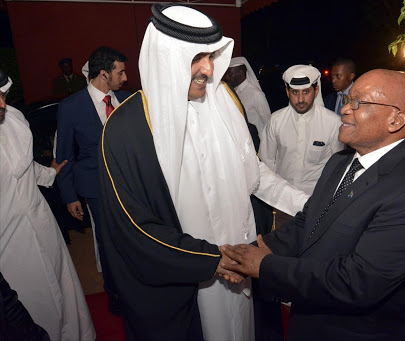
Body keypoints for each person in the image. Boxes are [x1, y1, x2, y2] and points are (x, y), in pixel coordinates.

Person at [98, 4, 308, 340]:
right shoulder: (125, 130)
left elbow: (254, 174)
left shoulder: (226, 100)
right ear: (166, 58)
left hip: (243, 267)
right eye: (197, 57)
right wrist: (214, 260)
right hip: (187, 279)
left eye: (211, 55)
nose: (209, 69)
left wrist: (307, 203)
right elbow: (133, 227)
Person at [223, 69, 405, 341]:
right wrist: (256, 251)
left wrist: (265, 266)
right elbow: (309, 220)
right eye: (347, 100)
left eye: (358, 103)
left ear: (395, 120)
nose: (344, 110)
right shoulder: (340, 163)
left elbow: (357, 282)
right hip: (310, 320)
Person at [0, 68, 95, 340]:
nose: (3, 105)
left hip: (40, 220)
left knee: (60, 283)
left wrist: (51, 173)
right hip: (10, 240)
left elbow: (24, 166)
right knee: (30, 299)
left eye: (4, 96)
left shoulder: (12, 118)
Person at [56, 46, 130, 315]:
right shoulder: (71, 107)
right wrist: (70, 196)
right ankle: (116, 294)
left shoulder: (127, 99)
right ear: (103, 73)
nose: (125, 77)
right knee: (108, 241)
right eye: (120, 72)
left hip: (130, 184)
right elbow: (63, 156)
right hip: (97, 188)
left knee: (132, 236)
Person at [259, 64, 344, 196]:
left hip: (316, 199)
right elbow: (266, 162)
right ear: (287, 92)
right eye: (295, 92)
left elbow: (338, 167)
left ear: (316, 91)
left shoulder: (332, 123)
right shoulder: (276, 120)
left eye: (306, 92)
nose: (300, 99)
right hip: (283, 199)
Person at [222, 56, 271, 137]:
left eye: (230, 74)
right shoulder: (234, 92)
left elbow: (268, 122)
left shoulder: (256, 94)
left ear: (241, 72)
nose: (227, 77)